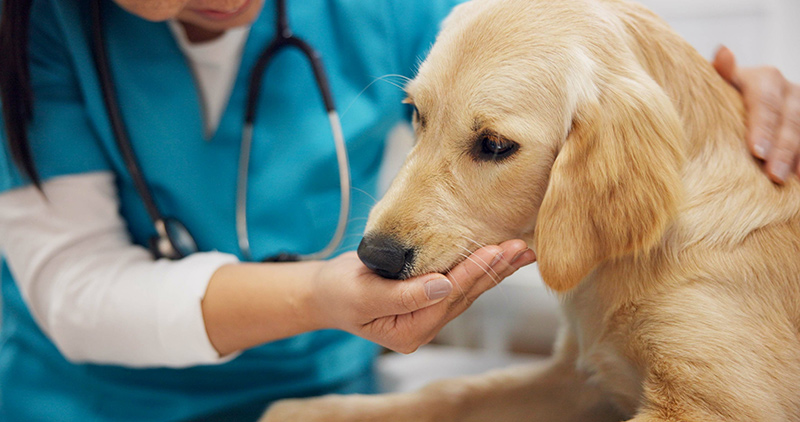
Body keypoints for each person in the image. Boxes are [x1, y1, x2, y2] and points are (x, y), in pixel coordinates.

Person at [0, 0, 796, 421]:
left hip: (321, 379)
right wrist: (317, 296)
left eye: (490, 145)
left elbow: (537, 43)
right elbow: (76, 290)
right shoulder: (38, 31)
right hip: (84, 405)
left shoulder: (388, 5)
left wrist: (706, 100)